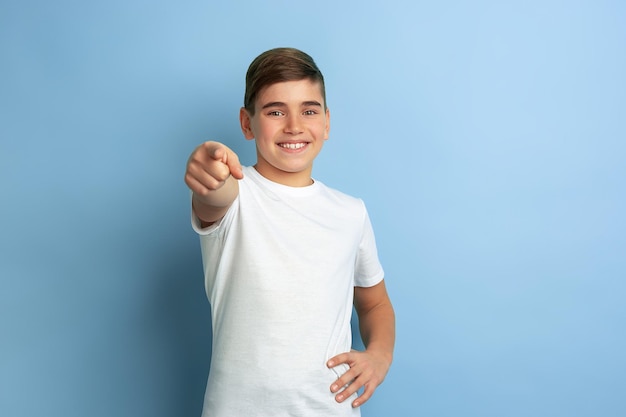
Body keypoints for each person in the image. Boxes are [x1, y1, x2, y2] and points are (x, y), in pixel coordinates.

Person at [184, 47, 395, 417]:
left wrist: (379, 354)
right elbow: (215, 194)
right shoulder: (236, 196)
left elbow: (374, 302)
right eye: (275, 111)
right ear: (247, 124)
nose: (294, 125)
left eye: (309, 110)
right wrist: (208, 164)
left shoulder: (351, 213)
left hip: (328, 409)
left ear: (326, 123)